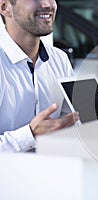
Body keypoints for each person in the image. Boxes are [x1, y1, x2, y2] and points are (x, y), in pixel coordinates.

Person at [0, 0, 79, 152]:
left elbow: (70, 121)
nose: (47, 4)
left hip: (52, 170)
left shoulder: (59, 58)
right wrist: (30, 134)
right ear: (5, 7)